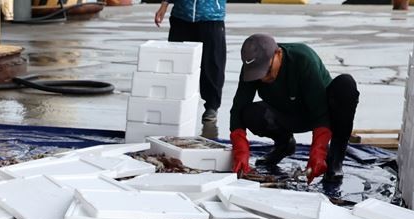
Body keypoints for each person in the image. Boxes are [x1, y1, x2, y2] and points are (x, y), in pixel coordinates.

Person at [229, 34, 359, 183]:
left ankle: (335, 160)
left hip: (322, 116)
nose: (263, 78)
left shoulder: (303, 58)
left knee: (346, 85)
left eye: (267, 70)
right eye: (258, 74)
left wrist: (318, 151)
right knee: (250, 114)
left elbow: (320, 112)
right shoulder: (253, 67)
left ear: (278, 53)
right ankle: (284, 144)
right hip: (287, 115)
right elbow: (238, 108)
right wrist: (241, 151)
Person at [153, 0, 226, 123]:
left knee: (212, 64)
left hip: (211, 16)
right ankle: (175, 103)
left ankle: (212, 106)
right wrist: (164, 4)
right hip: (181, 15)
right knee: (177, 63)